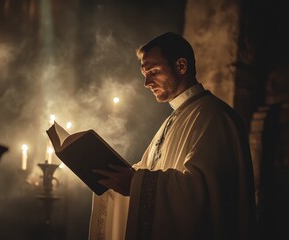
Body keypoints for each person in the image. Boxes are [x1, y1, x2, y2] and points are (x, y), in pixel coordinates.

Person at [89, 32, 256, 240]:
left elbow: (202, 193)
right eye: (144, 74)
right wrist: (114, 177)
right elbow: (146, 170)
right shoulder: (172, 120)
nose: (146, 83)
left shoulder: (214, 116)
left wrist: (136, 184)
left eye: (153, 71)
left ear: (181, 66)